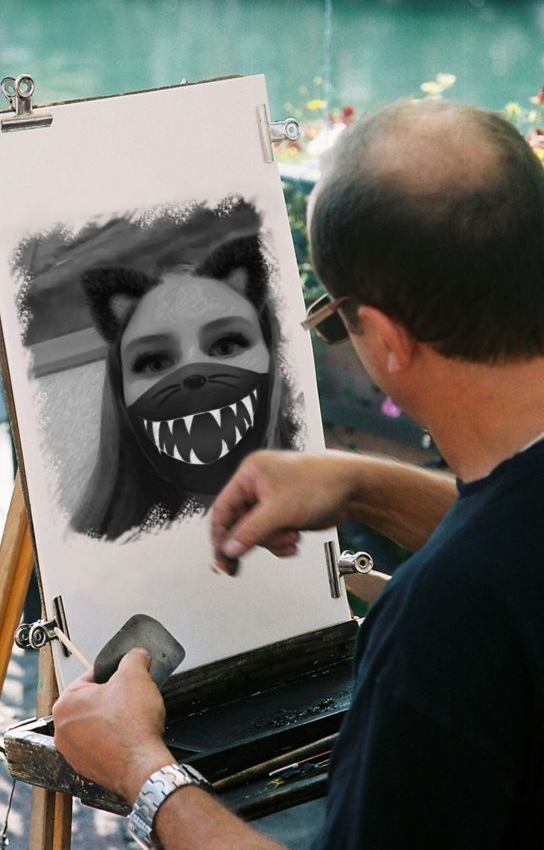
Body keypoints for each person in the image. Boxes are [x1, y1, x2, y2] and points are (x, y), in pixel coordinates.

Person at [52, 98, 544, 848]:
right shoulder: (486, 579)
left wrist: (142, 771)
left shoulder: (438, 625)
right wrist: (364, 484)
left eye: (333, 321)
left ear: (384, 338)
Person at [72, 199, 297, 541]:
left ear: (271, 353)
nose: (192, 371)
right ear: (121, 391)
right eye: (155, 362)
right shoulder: (91, 548)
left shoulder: (332, 500)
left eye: (225, 345)